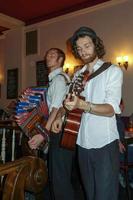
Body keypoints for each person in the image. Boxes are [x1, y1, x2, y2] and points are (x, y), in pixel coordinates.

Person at [52, 26, 123, 200]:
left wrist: (83, 105)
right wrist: (60, 116)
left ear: (96, 45)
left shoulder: (112, 71)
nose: (83, 51)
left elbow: (111, 109)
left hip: (104, 144)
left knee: (105, 196)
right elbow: (68, 102)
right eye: (79, 48)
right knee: (90, 194)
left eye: (87, 45)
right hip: (82, 143)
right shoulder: (77, 75)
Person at [28, 48, 78, 200]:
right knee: (60, 177)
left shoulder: (59, 79)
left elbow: (56, 108)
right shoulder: (58, 79)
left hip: (60, 131)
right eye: (47, 54)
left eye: (52, 55)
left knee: (59, 179)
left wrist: (43, 134)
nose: (47, 56)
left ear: (60, 60)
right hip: (63, 130)